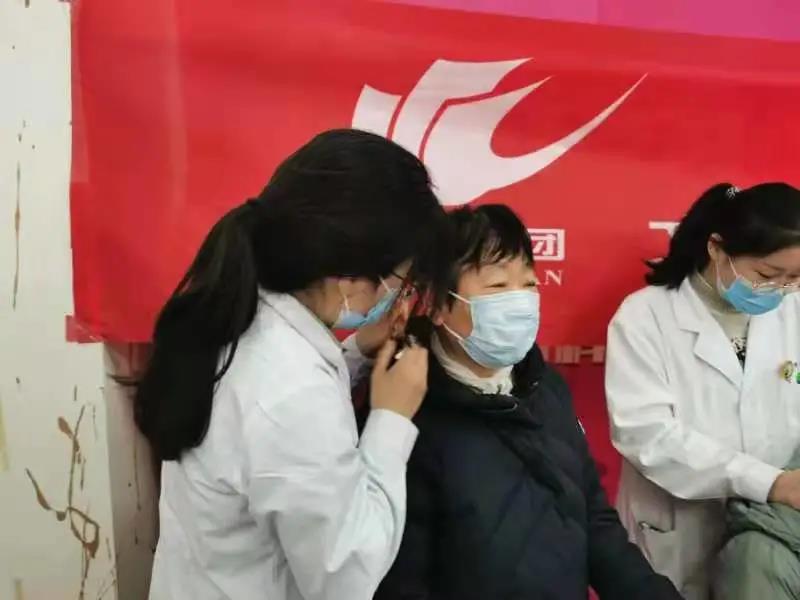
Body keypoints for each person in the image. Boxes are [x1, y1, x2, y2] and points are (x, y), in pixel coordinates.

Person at [134, 129, 451, 600]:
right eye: (401, 281)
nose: (400, 297)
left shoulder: (246, 319)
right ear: (348, 277)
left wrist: (354, 356)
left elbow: (273, 438)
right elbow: (346, 575)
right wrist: (392, 419)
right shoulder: (290, 390)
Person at [375, 204, 681, 600]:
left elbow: (593, 521)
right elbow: (402, 580)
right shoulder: (405, 415)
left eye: (529, 284)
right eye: (497, 286)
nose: (519, 300)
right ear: (436, 304)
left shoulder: (545, 386)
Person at [605, 182, 800, 599]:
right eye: (768, 275)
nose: (782, 290)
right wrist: (767, 482)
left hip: (773, 534)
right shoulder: (645, 316)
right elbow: (647, 435)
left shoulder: (794, 312)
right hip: (679, 531)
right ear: (716, 248)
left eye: (795, 278)